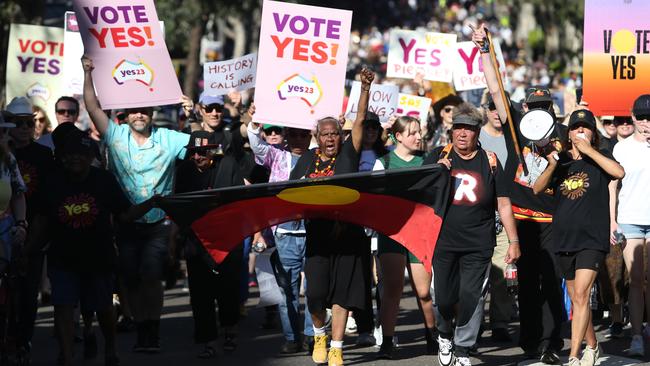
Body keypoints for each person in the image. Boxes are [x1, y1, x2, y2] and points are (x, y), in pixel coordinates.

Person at [82, 55, 191, 353]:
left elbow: (200, 147)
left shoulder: (170, 138)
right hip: (125, 221)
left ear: (153, 113)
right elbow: (92, 107)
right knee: (129, 279)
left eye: (145, 110)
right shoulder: (115, 136)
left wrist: (190, 116)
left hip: (158, 223)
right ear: (126, 115)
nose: (140, 114)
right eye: (134, 111)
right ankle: (138, 320)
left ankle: (150, 331)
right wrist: (88, 71)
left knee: (151, 277)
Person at [26, 128, 159, 366]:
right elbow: (41, 222)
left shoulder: (104, 180)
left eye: (81, 153)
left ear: (90, 157)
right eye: (68, 154)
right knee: (63, 307)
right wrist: (28, 250)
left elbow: (126, 214)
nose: (74, 158)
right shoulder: (52, 183)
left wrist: (154, 202)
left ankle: (110, 347)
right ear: (60, 157)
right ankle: (66, 356)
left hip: (98, 257)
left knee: (104, 308)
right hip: (62, 258)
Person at [474, 24, 567, 363]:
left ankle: (550, 341)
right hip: (521, 217)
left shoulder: (563, 135)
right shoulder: (515, 125)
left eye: (544, 106)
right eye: (533, 106)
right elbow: (496, 88)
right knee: (527, 282)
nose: (539, 110)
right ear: (526, 108)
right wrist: (485, 49)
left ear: (551, 109)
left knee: (552, 281)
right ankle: (531, 338)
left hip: (551, 218)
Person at [288, 67, 374, 366]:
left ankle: (336, 347)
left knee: (342, 295)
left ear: (341, 135)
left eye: (335, 134)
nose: (330, 139)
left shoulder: (349, 154)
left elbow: (361, 119)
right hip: (318, 237)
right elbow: (290, 191)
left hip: (348, 236)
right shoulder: (306, 161)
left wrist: (363, 88)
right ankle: (319, 332)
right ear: (317, 137)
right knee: (315, 295)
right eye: (325, 135)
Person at [423, 103, 519, 366]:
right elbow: (418, 195)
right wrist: (435, 173)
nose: (462, 134)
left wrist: (513, 241)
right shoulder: (436, 156)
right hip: (443, 242)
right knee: (443, 298)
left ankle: (463, 349)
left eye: (468, 129)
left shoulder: (489, 161)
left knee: (471, 297)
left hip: (478, 242)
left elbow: (503, 203)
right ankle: (444, 334)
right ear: (451, 131)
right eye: (458, 128)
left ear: (478, 133)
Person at [532, 109, 624, 366]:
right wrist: (552, 164)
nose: (580, 131)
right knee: (576, 300)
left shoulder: (601, 157)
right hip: (564, 237)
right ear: (569, 133)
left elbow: (618, 173)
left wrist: (590, 151)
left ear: (593, 133)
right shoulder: (560, 161)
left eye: (586, 127)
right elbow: (538, 188)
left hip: (592, 238)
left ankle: (574, 356)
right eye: (576, 127)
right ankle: (593, 345)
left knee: (582, 294)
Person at [174, 130, 245, 358]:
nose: (198, 157)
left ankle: (230, 331)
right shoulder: (184, 170)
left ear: (213, 151)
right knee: (200, 293)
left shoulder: (228, 165)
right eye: (194, 152)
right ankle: (208, 340)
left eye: (203, 152)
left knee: (228, 288)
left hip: (225, 237)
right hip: (197, 238)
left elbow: (239, 200)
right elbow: (179, 203)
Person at [247, 115, 314, 354]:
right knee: (288, 289)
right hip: (284, 232)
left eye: (303, 134)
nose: (298, 139)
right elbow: (257, 143)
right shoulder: (278, 156)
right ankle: (291, 337)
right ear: (286, 134)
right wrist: (255, 123)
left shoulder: (319, 158)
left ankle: (311, 335)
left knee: (315, 288)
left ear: (310, 135)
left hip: (313, 231)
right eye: (293, 134)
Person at [373, 115, 437, 359]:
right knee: (393, 290)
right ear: (398, 136)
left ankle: (433, 336)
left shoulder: (427, 161)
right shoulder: (383, 162)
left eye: (419, 132)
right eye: (412, 133)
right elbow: (375, 200)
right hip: (392, 233)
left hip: (420, 233)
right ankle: (387, 342)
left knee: (423, 292)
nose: (418, 137)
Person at [4, 96, 54, 364]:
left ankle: (23, 339)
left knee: (27, 291)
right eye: (18, 122)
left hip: (34, 229)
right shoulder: (3, 153)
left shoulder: (44, 156)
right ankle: (8, 337)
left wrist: (33, 236)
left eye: (28, 122)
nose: (24, 127)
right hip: (4, 231)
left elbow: (46, 201)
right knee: (6, 291)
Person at [612, 95, 650, 356]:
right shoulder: (621, 148)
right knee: (635, 280)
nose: (646, 122)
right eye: (642, 117)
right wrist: (612, 220)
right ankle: (637, 336)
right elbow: (612, 186)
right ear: (633, 117)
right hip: (630, 218)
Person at [478, 94, 514, 342]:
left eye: (499, 107)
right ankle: (475, 323)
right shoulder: (476, 135)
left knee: (502, 274)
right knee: (477, 277)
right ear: (485, 109)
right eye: (491, 107)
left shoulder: (514, 137)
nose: (495, 112)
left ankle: (500, 322)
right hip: (479, 216)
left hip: (506, 213)